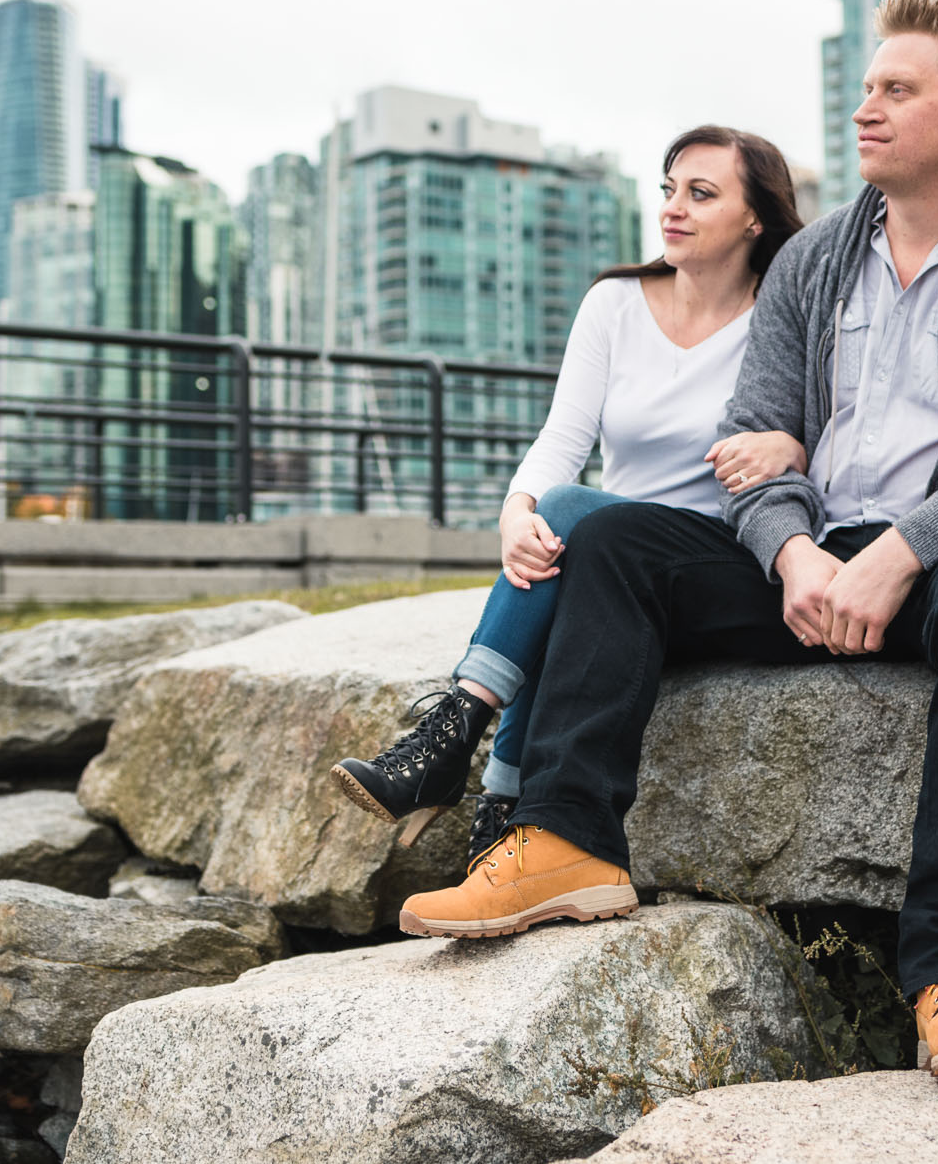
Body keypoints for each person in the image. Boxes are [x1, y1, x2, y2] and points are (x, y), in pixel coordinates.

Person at [398, 0, 938, 1081]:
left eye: (896, 89)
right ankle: (564, 841)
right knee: (611, 539)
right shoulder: (816, 258)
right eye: (864, 87)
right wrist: (790, 553)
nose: (863, 109)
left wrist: (902, 551)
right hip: (828, 553)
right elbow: (752, 436)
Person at [329, 125, 808, 868]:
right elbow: (563, 440)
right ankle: (494, 808)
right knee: (566, 524)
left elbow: (838, 436)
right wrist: (514, 514)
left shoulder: (784, 317)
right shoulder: (615, 303)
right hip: (602, 565)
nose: (673, 208)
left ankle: (458, 747)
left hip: (706, 565)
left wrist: (792, 445)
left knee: (579, 515)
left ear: (756, 218)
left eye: (701, 194)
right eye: (669, 189)